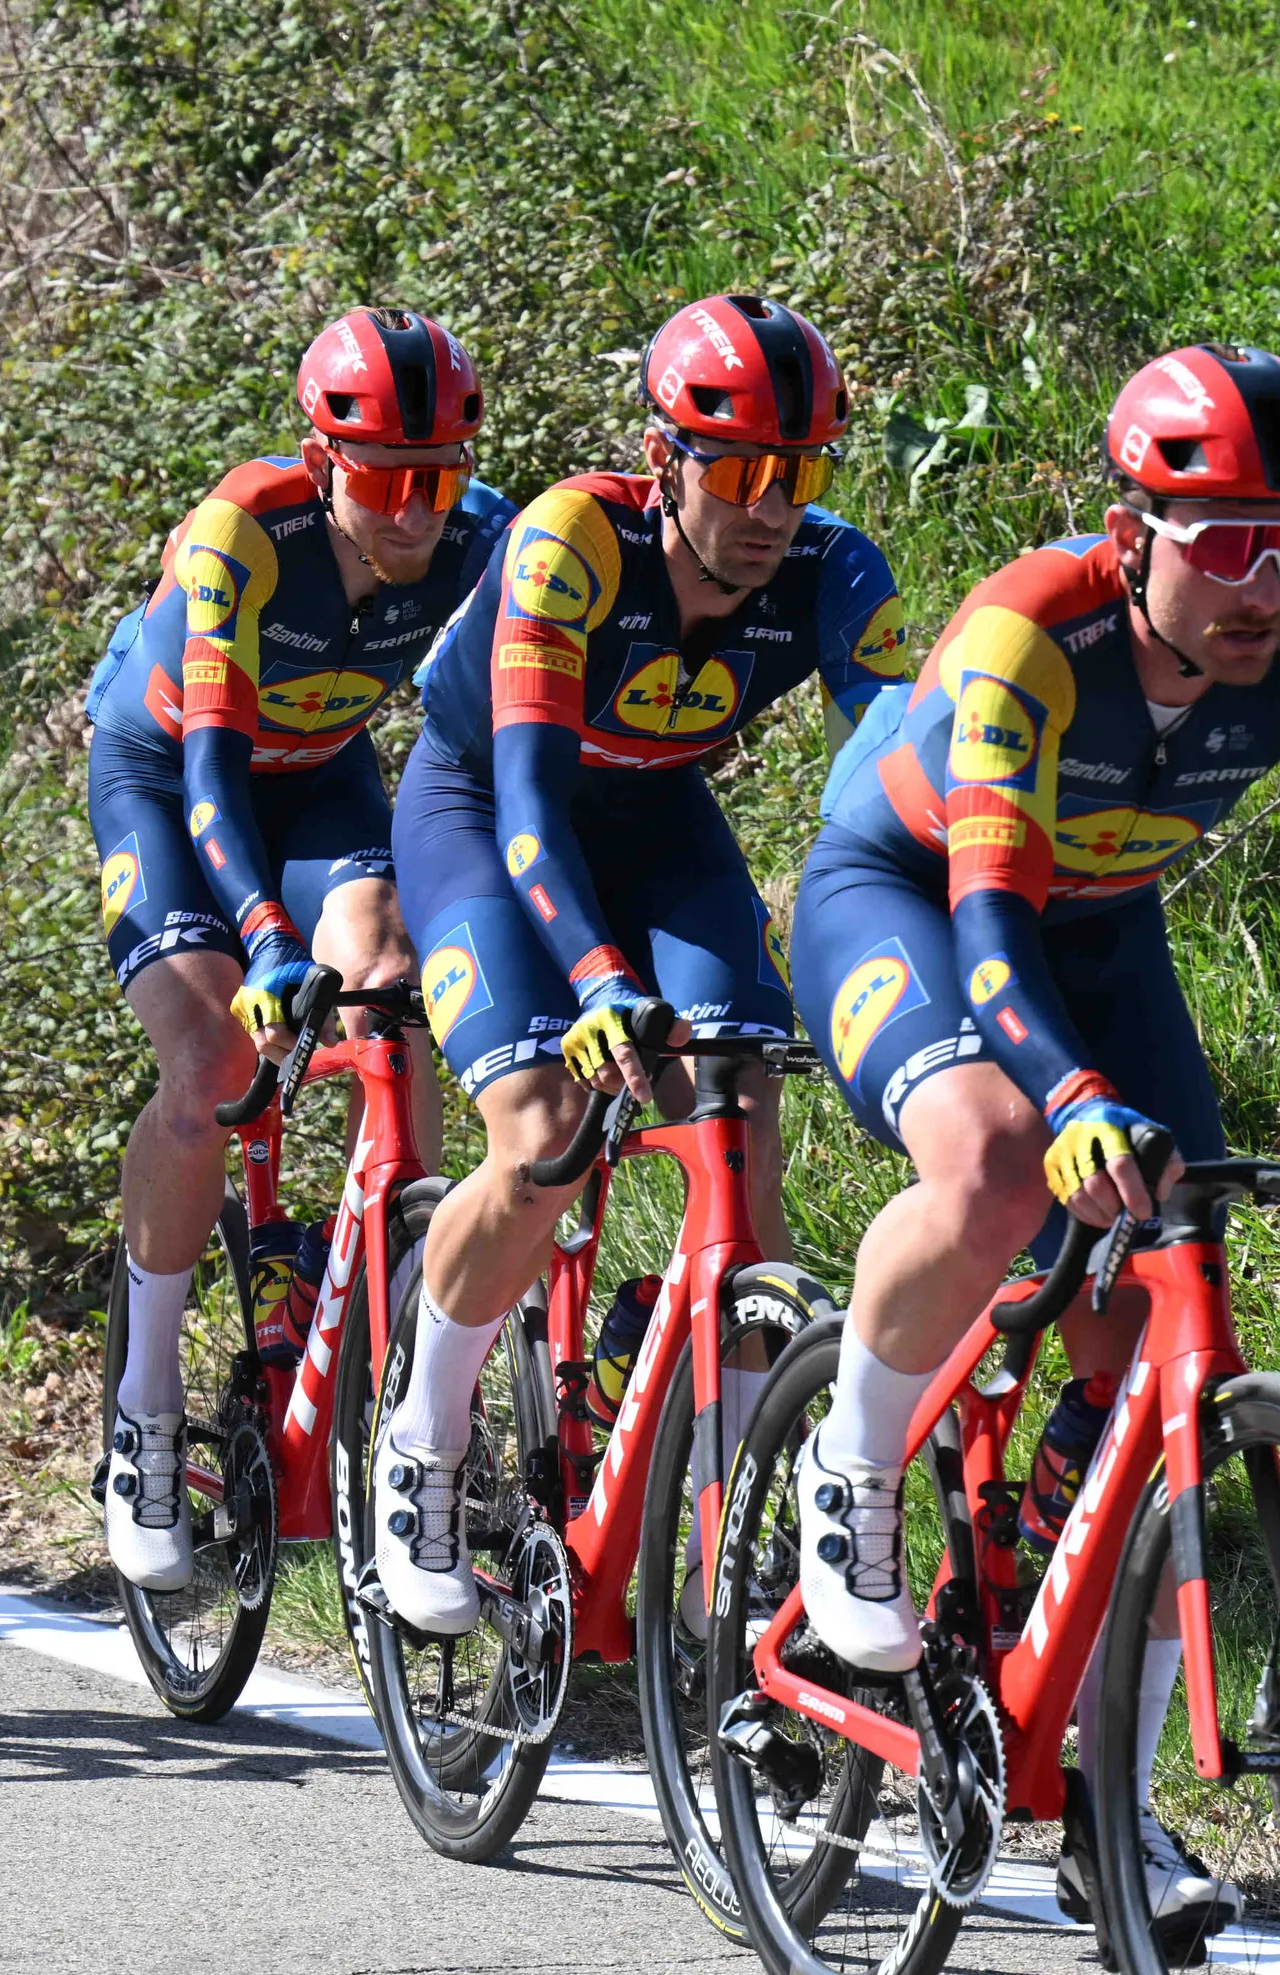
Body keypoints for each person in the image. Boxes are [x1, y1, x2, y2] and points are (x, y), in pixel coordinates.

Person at [778, 342, 1280, 1920]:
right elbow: (987, 914)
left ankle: (1086, 1776)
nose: (1267, 582)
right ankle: (847, 1467)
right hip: (910, 902)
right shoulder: (1027, 641)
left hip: (1103, 933)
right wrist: (1062, 1100)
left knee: (1163, 1320)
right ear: (1131, 536)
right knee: (991, 1162)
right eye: (1225, 541)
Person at [366, 294, 910, 1636]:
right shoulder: (571, 543)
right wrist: (599, 978)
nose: (773, 505)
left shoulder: (839, 573)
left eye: (803, 473)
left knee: (735, 1120)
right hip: (486, 814)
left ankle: (736, 1544)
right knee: (545, 1128)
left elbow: (899, 779)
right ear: (662, 459)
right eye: (740, 472)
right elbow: (534, 809)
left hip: (659, 816)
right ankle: (422, 1448)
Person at [85, 307, 506, 1586]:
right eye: (384, 480)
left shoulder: (483, 542)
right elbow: (209, 769)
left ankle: (383, 1283)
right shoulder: (238, 540)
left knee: (387, 982)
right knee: (214, 1059)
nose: (414, 509)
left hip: (321, 778)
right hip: (169, 776)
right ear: (322, 463)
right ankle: (144, 1408)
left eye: (438, 478)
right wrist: (264, 935)